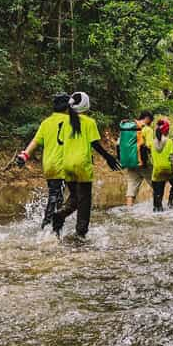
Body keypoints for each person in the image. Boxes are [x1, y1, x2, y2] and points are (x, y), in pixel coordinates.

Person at [52, 92, 121, 239]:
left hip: (67, 164)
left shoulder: (65, 122)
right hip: (82, 165)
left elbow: (60, 143)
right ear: (86, 105)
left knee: (75, 197)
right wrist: (109, 157)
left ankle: (60, 213)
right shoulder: (89, 122)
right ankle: (80, 233)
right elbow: (95, 144)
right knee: (84, 201)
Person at [16, 93, 70, 229]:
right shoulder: (71, 122)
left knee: (55, 194)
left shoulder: (46, 122)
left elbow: (35, 141)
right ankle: (49, 226)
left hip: (49, 165)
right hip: (64, 165)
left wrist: (25, 155)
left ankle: (50, 224)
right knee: (60, 197)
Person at [119, 111, 154, 206]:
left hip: (130, 161)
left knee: (131, 188)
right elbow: (150, 146)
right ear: (147, 118)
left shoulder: (127, 127)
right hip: (144, 163)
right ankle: (158, 209)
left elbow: (119, 143)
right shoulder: (147, 129)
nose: (151, 123)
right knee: (157, 186)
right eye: (151, 120)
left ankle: (128, 209)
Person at [150, 118, 173, 212]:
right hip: (169, 170)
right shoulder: (169, 142)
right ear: (167, 130)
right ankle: (171, 202)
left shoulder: (152, 143)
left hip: (157, 171)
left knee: (157, 193)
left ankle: (157, 208)